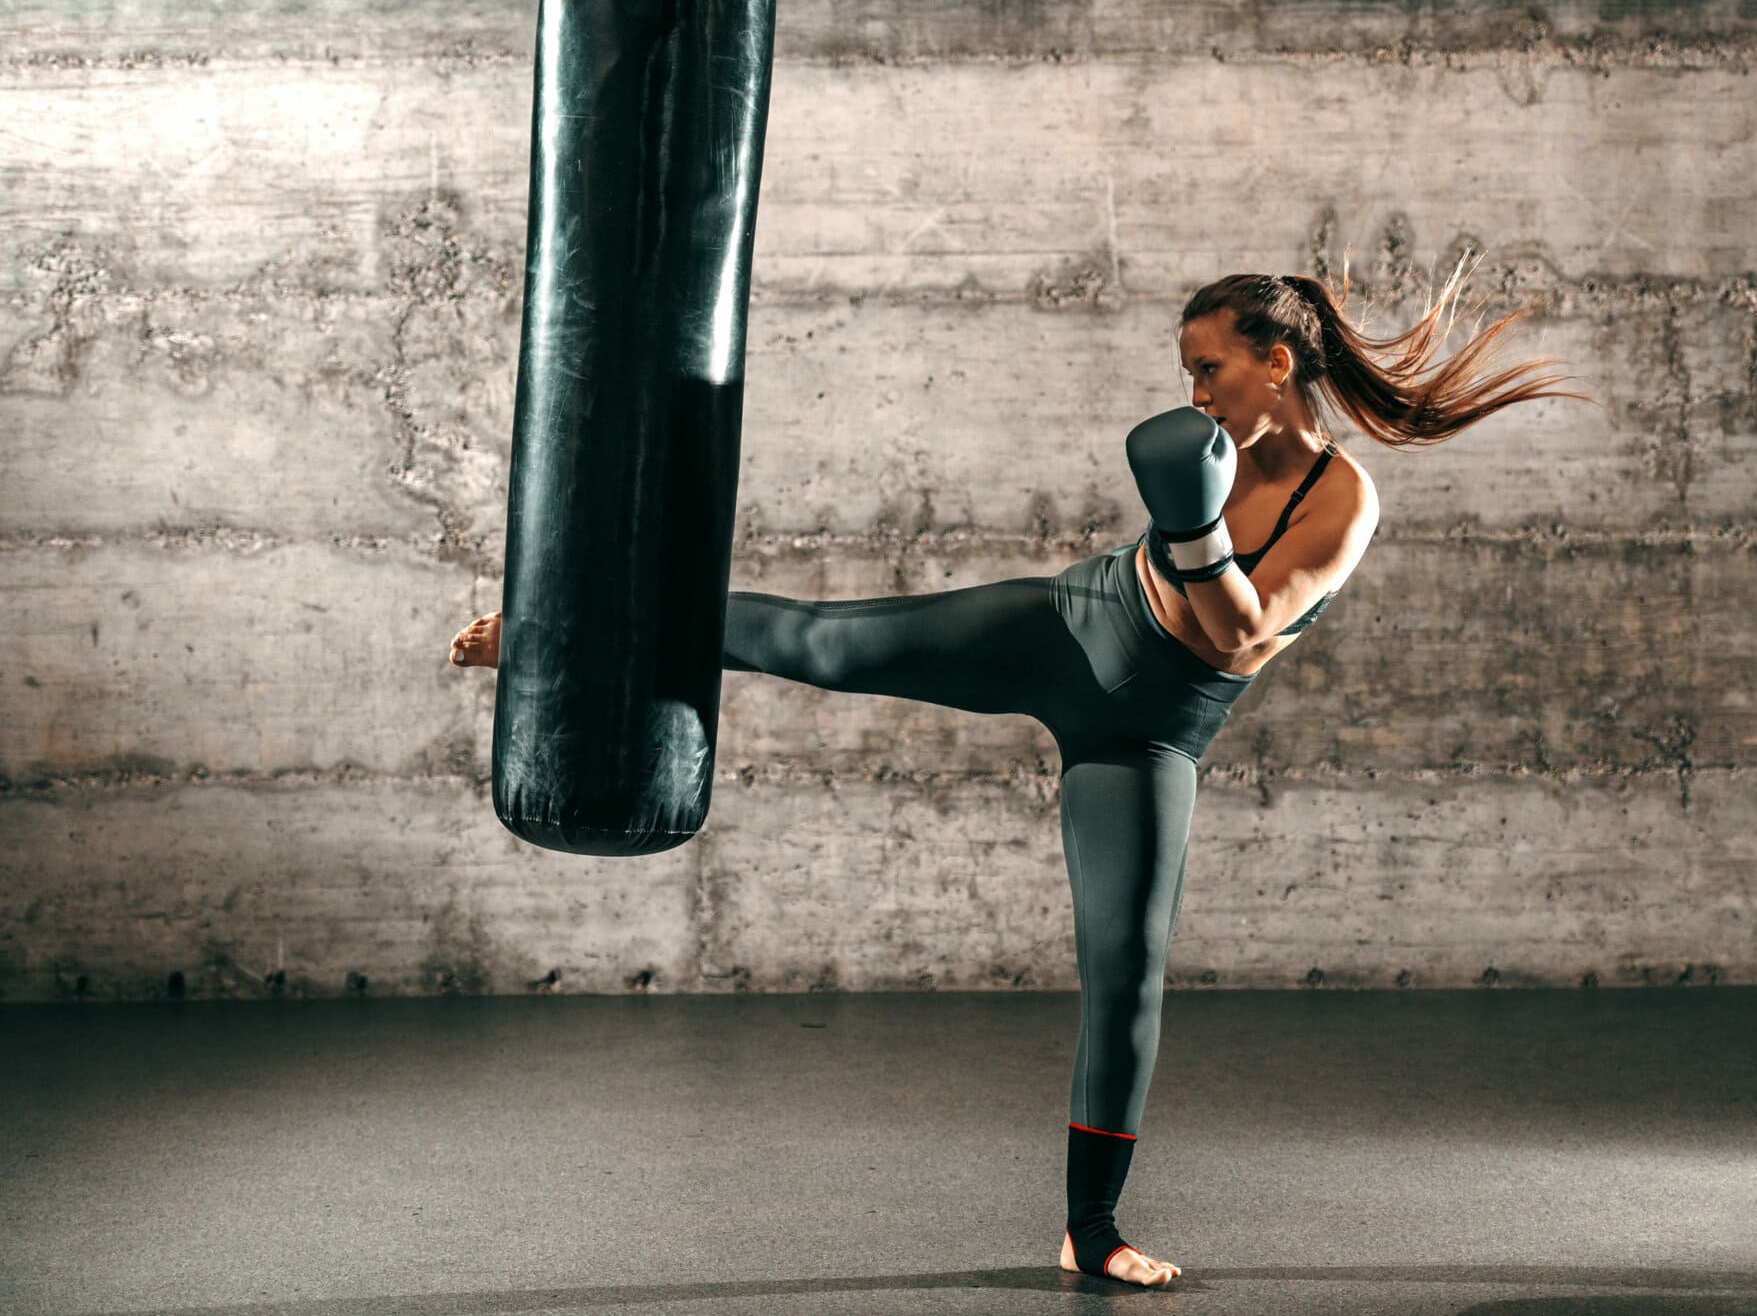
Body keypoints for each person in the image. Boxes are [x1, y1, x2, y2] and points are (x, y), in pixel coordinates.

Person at [450, 261, 1589, 1287]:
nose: (1195, 394)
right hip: (1068, 626)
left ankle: (1089, 1229)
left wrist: (1194, 532)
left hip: (1148, 729)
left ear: (1274, 363)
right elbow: (1180, 589)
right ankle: (557, 632)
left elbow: (1240, 640)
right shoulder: (1216, 451)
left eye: (1209, 368)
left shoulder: (1339, 499)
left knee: (1126, 967)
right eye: (1186, 373)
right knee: (821, 641)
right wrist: (1185, 528)